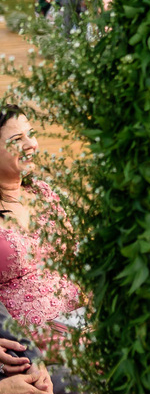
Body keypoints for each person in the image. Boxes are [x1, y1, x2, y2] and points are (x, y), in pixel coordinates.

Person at [0, 106, 81, 337]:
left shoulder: (43, 193)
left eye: (31, 134)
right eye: (17, 139)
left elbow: (75, 257)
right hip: (30, 345)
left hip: (82, 322)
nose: (31, 144)